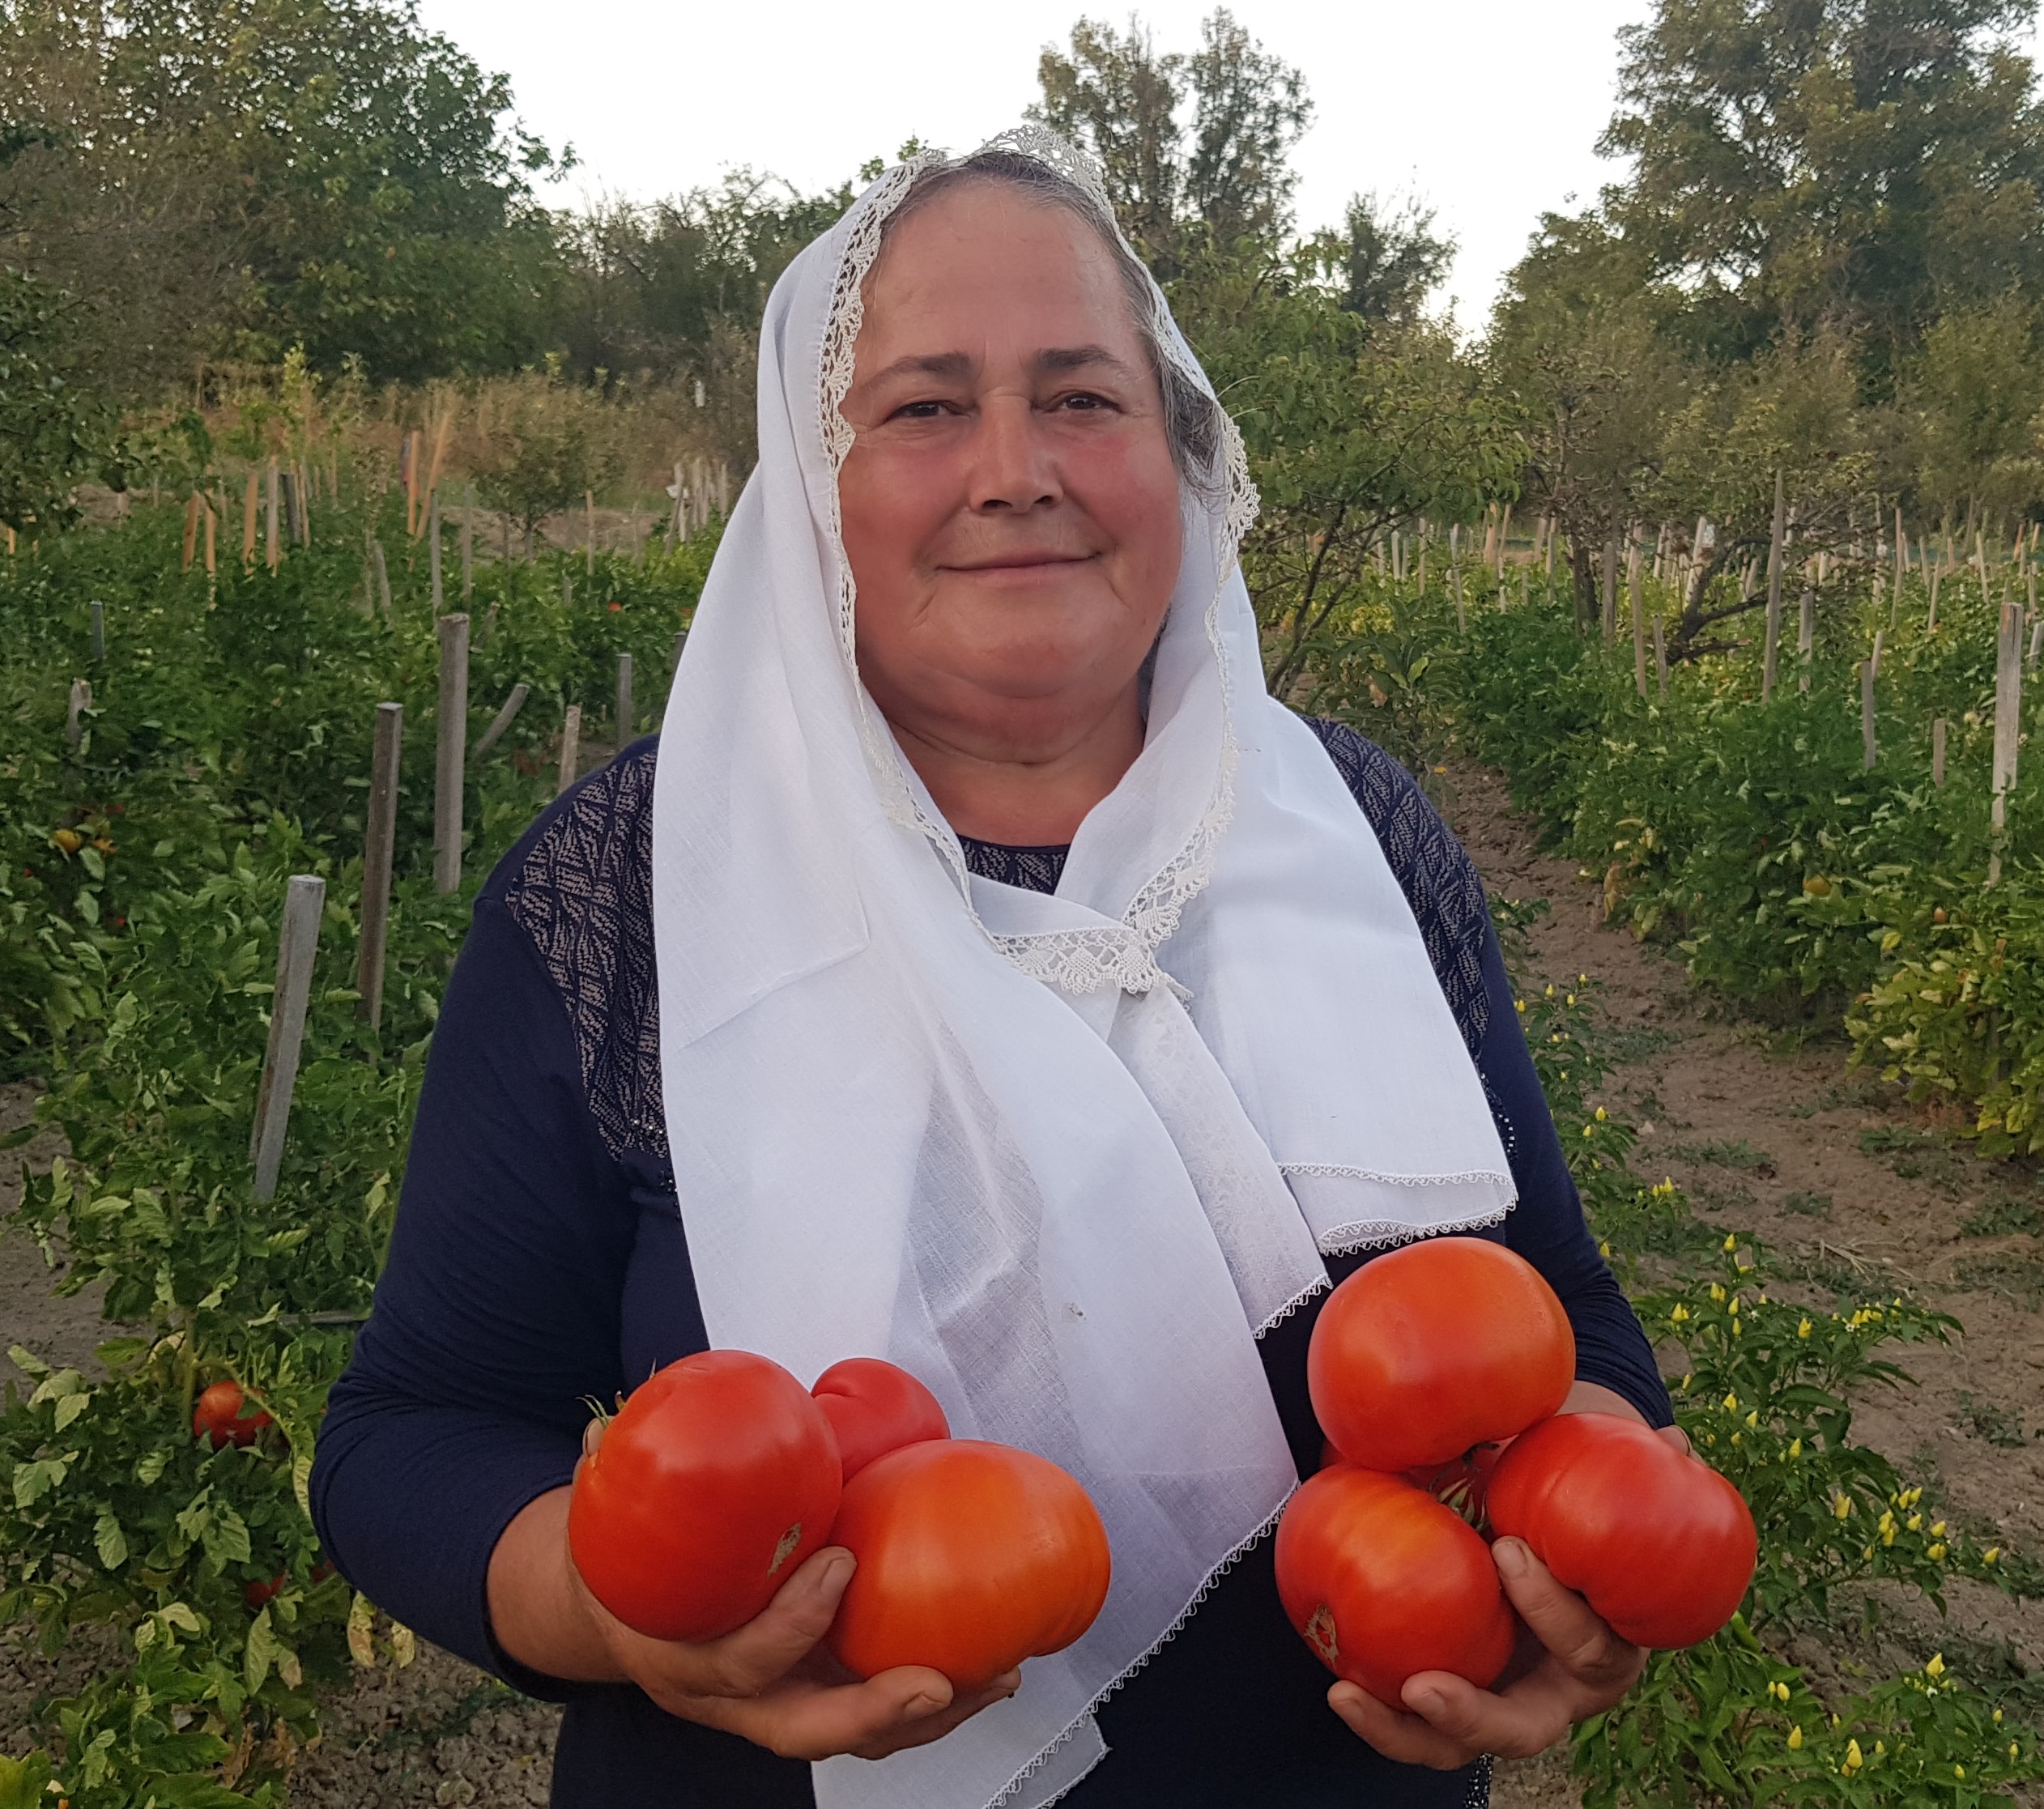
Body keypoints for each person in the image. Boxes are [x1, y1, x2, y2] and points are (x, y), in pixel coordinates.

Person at [312, 130, 1687, 1809]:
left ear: (1177, 458)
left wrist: (1595, 1537)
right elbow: (415, 1437)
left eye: (1084, 398)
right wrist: (622, 1616)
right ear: (812, 492)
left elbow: (1569, 1309)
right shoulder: (637, 893)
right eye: (925, 406)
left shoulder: (1354, 836)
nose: (1016, 467)